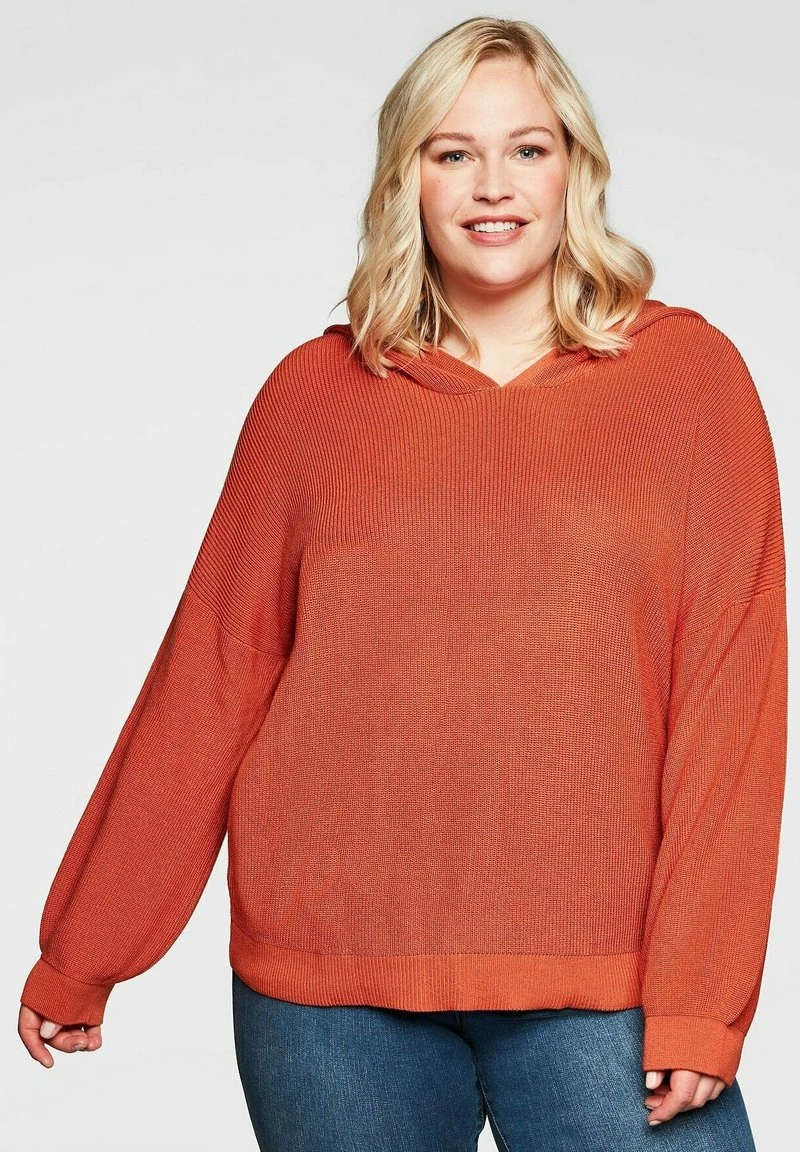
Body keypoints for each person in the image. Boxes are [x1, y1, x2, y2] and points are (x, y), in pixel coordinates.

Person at [18, 15, 787, 1151]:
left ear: (575, 169)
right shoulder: (312, 394)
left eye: (528, 149)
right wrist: (89, 944)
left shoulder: (688, 382)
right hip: (329, 990)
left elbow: (732, 700)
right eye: (452, 151)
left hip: (605, 979)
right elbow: (213, 670)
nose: (493, 185)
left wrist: (701, 993)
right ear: (405, 178)